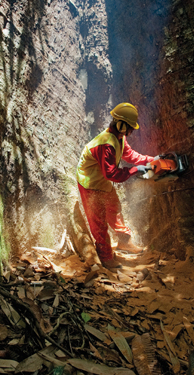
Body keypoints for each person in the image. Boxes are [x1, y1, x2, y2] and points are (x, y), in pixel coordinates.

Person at [76, 102, 156, 269]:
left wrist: (150, 160)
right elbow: (111, 174)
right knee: (98, 221)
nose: (132, 131)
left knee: (114, 208)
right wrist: (134, 170)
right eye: (130, 127)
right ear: (120, 124)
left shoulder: (119, 137)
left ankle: (124, 242)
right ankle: (106, 258)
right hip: (90, 184)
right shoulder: (106, 145)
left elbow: (130, 155)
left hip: (102, 180)